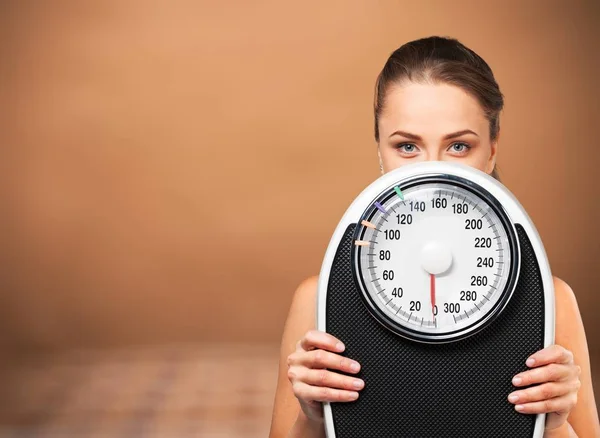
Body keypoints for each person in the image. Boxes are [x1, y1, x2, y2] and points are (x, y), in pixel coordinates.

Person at [268, 36, 599, 438]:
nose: (434, 172)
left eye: (459, 146)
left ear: (492, 148)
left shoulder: (550, 300)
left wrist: (555, 423)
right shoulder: (319, 299)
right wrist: (313, 418)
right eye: (407, 146)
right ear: (380, 151)